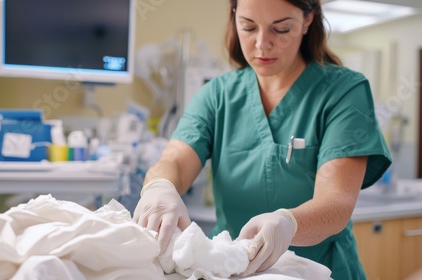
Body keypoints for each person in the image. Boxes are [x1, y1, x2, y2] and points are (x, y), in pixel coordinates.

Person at [133, 0, 391, 279]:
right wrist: (161, 186)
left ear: (307, 20)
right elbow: (175, 158)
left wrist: (289, 223)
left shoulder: (344, 92)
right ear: (234, 18)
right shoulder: (217, 95)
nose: (261, 44)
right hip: (232, 269)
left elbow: (337, 201)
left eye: (281, 29)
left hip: (321, 270)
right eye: (248, 26)